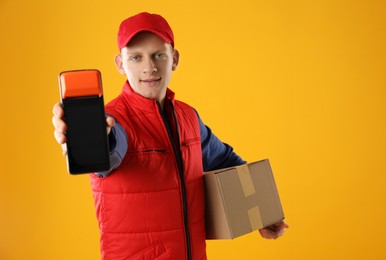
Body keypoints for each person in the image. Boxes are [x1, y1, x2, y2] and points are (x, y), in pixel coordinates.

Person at [52, 12, 288, 260]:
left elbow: (226, 162)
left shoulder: (187, 116)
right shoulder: (113, 121)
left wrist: (264, 213)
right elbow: (110, 153)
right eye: (135, 57)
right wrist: (96, 139)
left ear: (174, 59)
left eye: (159, 55)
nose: (149, 67)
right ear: (120, 64)